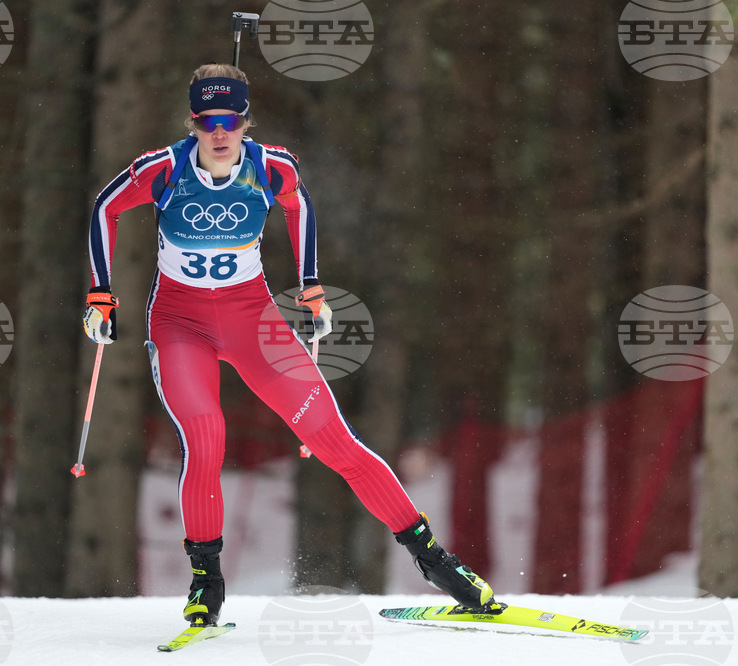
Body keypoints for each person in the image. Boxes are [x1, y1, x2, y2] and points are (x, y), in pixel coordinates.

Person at [83, 63, 494, 627]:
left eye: (230, 120)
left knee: (334, 440)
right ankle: (207, 581)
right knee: (206, 438)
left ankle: (438, 562)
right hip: (180, 324)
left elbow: (300, 209)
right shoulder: (164, 169)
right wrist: (100, 295)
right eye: (207, 122)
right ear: (194, 123)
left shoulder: (271, 167)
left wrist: (311, 289)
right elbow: (105, 208)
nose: (219, 133)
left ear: (245, 121)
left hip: (252, 319)